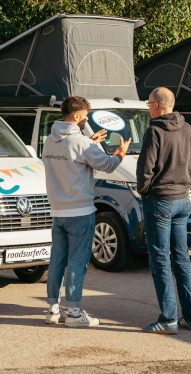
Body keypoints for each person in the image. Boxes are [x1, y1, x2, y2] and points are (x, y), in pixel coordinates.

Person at [42, 96, 131, 328]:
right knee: (77, 263)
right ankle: (73, 313)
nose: (87, 119)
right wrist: (121, 152)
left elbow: (70, 157)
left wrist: (89, 142)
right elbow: (108, 165)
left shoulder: (50, 140)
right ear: (75, 116)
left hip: (58, 211)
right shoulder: (81, 143)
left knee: (57, 261)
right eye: (85, 115)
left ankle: (53, 310)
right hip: (80, 210)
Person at [137, 87, 191, 334]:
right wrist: (185, 182)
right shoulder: (189, 130)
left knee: (160, 259)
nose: (149, 107)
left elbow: (145, 168)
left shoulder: (154, 130)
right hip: (183, 200)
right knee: (182, 258)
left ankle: (168, 318)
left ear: (156, 105)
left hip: (160, 200)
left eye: (149, 103)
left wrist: (144, 191)